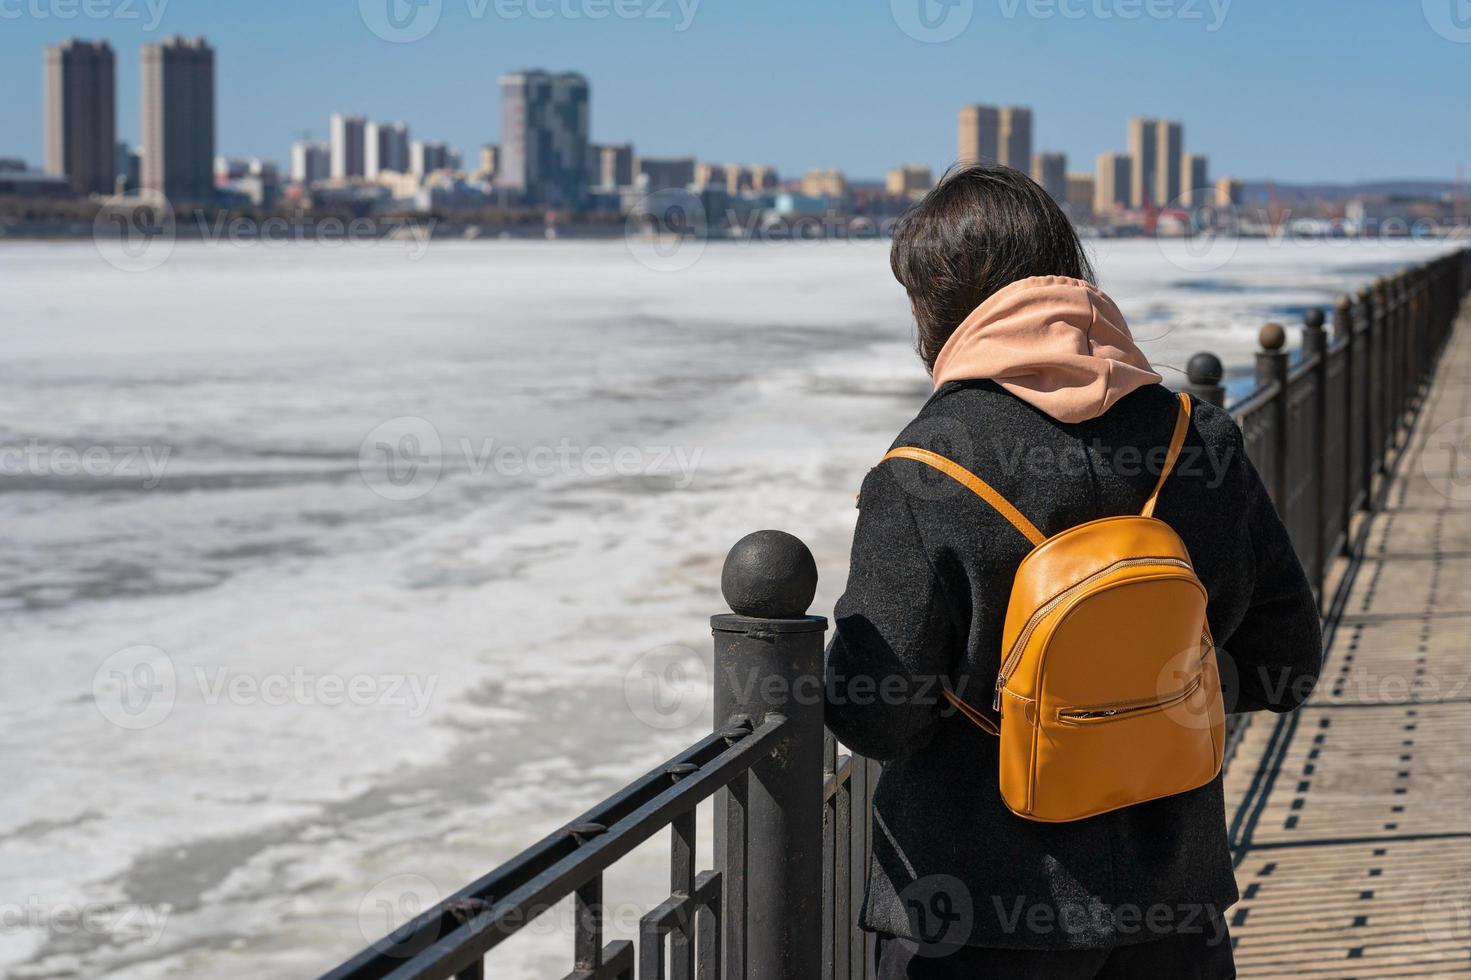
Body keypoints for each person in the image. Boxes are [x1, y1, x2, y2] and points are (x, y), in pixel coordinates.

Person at [823, 164, 1322, 979]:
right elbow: (1286, 667)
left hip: (976, 920)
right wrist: (1152, 690)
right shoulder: (1202, 439)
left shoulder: (923, 470)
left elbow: (875, 716)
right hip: (1174, 909)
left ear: (938, 303)